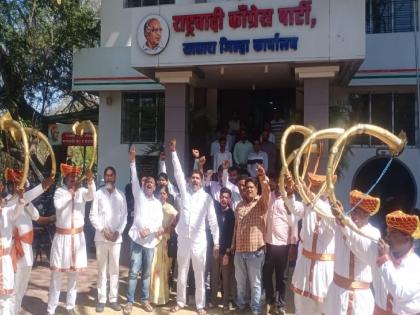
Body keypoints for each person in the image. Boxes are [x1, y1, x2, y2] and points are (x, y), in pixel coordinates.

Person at [169, 138, 219, 315]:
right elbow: (177, 173)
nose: (195, 180)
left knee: (199, 274)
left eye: (198, 178)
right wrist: (174, 152)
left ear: (202, 179)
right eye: (193, 178)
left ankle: (200, 305)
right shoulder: (184, 192)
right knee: (181, 271)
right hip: (183, 238)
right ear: (190, 180)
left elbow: (213, 221)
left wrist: (217, 243)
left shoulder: (206, 198)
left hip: (199, 241)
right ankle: (180, 302)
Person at [340, 209, 420, 314]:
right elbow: (359, 242)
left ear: (406, 239)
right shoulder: (381, 252)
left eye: (393, 234)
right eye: (387, 232)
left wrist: (385, 260)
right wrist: (344, 223)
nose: (387, 237)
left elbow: (400, 292)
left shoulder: (415, 265)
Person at [3, 168, 54, 315]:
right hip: (13, 252)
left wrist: (54, 218)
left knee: (21, 290)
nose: (16, 187)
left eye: (18, 184)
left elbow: (38, 217)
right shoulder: (7, 202)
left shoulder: (26, 202)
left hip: (27, 253)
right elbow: (29, 195)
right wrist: (43, 186)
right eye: (13, 184)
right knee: (11, 289)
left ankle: (16, 311)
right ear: (9, 185)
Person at [47, 164, 96, 315]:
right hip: (62, 238)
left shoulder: (82, 191)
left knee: (73, 276)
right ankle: (51, 308)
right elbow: (59, 205)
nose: (73, 179)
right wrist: (71, 193)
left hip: (77, 239)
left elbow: (92, 195)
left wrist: (89, 180)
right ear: (65, 178)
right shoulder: (60, 192)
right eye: (71, 177)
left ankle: (70, 306)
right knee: (56, 276)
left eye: (75, 177)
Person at [284, 173, 335, 315]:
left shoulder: (333, 211)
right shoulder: (308, 207)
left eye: (318, 188)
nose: (314, 191)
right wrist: (290, 190)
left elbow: (326, 213)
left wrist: (309, 196)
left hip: (323, 268)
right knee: (301, 305)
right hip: (305, 264)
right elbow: (293, 207)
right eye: (314, 187)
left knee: (323, 307)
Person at [324, 190, 381, 315]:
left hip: (360, 300)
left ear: (367, 214)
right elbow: (321, 214)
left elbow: (362, 249)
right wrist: (328, 202)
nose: (352, 214)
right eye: (353, 209)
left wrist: (345, 223)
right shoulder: (341, 225)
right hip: (336, 294)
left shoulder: (374, 233)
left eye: (357, 211)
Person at [124, 146, 163, 315]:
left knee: (146, 273)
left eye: (152, 183)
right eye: (147, 182)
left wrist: (150, 230)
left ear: (155, 187)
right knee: (133, 272)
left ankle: (145, 300)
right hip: (137, 241)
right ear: (144, 184)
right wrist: (132, 161)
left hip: (150, 242)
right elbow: (134, 179)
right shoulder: (138, 195)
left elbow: (159, 222)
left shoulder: (157, 203)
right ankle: (129, 302)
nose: (149, 185)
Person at [231, 164, 269, 315]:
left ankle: (255, 309)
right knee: (240, 283)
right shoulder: (239, 206)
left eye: (252, 187)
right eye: (247, 188)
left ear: (256, 188)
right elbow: (236, 227)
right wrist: (233, 245)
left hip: (255, 252)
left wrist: (262, 177)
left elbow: (266, 192)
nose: (249, 190)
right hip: (239, 252)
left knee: (255, 284)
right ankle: (241, 306)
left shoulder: (261, 203)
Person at [89, 166, 127, 313]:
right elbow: (92, 215)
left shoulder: (121, 195)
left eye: (111, 175)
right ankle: (101, 299)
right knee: (102, 270)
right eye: (107, 176)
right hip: (101, 238)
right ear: (105, 178)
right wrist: (102, 229)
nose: (109, 178)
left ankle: (113, 299)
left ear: (115, 177)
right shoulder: (98, 194)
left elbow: (124, 217)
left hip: (116, 239)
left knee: (114, 270)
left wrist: (118, 232)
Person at [263, 178, 298, 315]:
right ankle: (270, 301)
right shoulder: (269, 197)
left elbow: (294, 223)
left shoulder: (289, 200)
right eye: (278, 184)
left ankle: (281, 305)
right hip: (269, 243)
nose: (279, 186)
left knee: (282, 277)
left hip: (283, 245)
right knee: (266, 274)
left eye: (282, 184)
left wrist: (293, 245)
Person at [149, 185, 178, 305]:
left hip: (164, 242)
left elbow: (175, 221)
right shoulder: (153, 206)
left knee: (163, 270)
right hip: (153, 241)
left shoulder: (170, 208)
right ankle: (153, 297)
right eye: (160, 193)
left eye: (164, 193)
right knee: (153, 268)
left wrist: (167, 229)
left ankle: (163, 297)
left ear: (167, 195)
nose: (162, 195)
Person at [209, 187, 236, 312]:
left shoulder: (232, 215)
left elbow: (232, 236)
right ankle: (213, 301)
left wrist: (227, 253)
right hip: (215, 250)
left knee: (226, 278)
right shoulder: (215, 212)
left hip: (226, 253)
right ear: (219, 198)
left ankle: (225, 303)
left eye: (226, 197)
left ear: (230, 199)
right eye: (222, 197)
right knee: (214, 277)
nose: (224, 199)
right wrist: (214, 246)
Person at [0, 185, 24, 315]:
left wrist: (20, 198)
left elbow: (18, 210)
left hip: (4, 260)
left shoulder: (7, 212)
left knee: (5, 299)